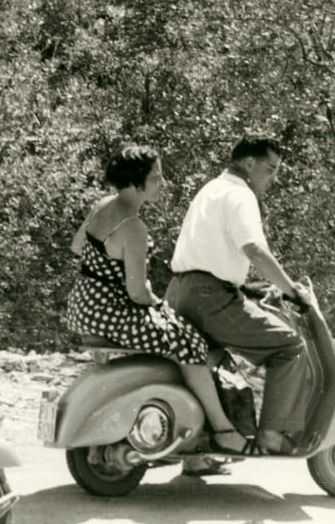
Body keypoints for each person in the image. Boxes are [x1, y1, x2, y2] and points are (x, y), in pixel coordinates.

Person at [63, 144, 243, 449]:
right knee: (191, 342)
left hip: (83, 305)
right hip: (112, 311)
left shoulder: (103, 205)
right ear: (136, 183)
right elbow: (137, 292)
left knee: (179, 331)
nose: (162, 183)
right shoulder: (133, 226)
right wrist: (162, 307)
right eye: (156, 177)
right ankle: (223, 430)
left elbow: (77, 246)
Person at [165, 134, 311, 454]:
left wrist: (248, 287)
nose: (273, 179)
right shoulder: (240, 195)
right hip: (209, 297)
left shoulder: (211, 189)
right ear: (249, 163)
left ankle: (201, 451)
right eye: (270, 170)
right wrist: (291, 291)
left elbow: (210, 253)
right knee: (289, 346)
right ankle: (272, 435)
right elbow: (254, 250)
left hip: (180, 292)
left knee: (216, 360)